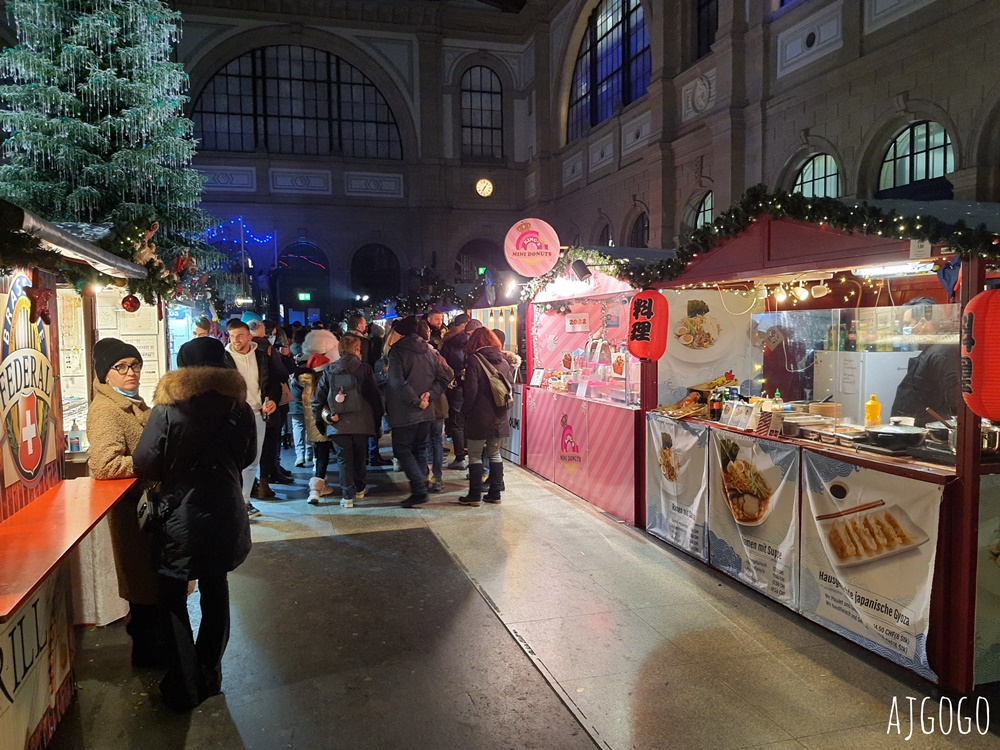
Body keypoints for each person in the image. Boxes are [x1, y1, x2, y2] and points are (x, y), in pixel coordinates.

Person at [133, 336, 256, 711]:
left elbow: (145, 463)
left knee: (172, 594)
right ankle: (209, 672)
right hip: (226, 513)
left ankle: (183, 683)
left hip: (179, 517)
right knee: (216, 587)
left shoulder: (167, 410)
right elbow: (248, 456)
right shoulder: (240, 410)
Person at [86, 338, 160, 667]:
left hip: (148, 511)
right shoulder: (106, 410)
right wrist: (150, 461)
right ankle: (152, 667)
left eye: (135, 365)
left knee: (152, 593)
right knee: (145, 594)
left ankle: (158, 661)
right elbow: (104, 465)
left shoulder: (131, 402)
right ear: (106, 373)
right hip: (134, 514)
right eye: (122, 367)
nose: (132, 372)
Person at [386, 315, 451, 508]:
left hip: (405, 411)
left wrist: (416, 401)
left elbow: (397, 382)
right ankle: (421, 483)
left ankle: (419, 488)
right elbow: (444, 378)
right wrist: (430, 395)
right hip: (427, 411)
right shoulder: (430, 351)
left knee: (402, 449)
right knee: (420, 449)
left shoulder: (397, 352)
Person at [313, 335, 383, 507]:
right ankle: (360, 488)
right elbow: (374, 396)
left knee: (343, 460)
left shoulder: (330, 370)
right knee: (360, 457)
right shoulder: (365, 369)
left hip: (338, 423)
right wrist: (377, 418)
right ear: (357, 350)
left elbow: (318, 399)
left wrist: (322, 420)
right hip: (362, 422)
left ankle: (347, 496)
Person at [224, 319, 281, 514]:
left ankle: (245, 501)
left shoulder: (262, 356)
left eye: (239, 335)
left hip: (258, 413)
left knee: (253, 459)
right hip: (234, 416)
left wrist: (272, 399)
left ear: (249, 336)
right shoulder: (224, 359)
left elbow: (272, 382)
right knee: (234, 460)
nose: (235, 340)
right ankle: (235, 502)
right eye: (232, 336)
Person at [459, 327, 513, 506]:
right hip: (499, 415)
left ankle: (474, 496)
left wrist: (464, 412)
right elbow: (509, 386)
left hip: (479, 416)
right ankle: (495, 493)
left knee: (474, 455)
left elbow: (471, 391)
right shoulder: (504, 361)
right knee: (495, 453)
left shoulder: (474, 360)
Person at [417, 319, 454, 493]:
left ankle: (426, 478)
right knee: (436, 441)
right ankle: (437, 478)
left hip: (422, 405)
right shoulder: (435, 354)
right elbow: (448, 374)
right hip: (438, 404)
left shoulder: (412, 355)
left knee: (424, 443)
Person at [890, 343, 961, 427]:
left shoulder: (939, 350)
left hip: (912, 420)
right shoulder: (945, 353)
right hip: (923, 425)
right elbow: (955, 399)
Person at [299, 353, 335, 503]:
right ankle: (316, 489)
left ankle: (320, 482)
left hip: (312, 428)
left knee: (319, 456)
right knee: (323, 458)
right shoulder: (322, 384)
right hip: (323, 426)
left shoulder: (307, 384)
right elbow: (324, 407)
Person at [441, 313, 474, 469]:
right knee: (468, 422)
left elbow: (442, 367)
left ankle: (461, 457)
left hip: (456, 390)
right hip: (473, 390)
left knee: (457, 423)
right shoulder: (477, 345)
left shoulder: (449, 344)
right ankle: (472, 457)